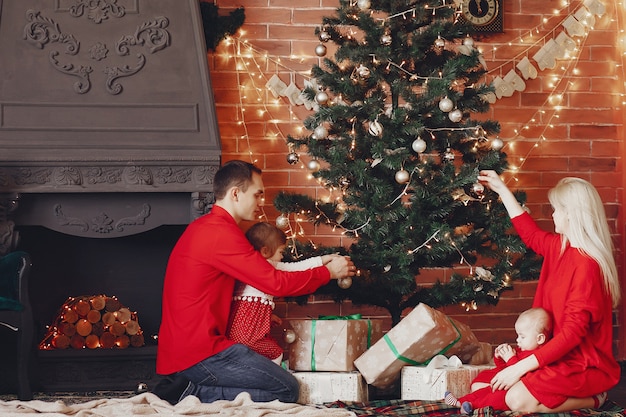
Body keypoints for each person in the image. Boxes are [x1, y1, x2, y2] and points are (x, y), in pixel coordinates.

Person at [155, 160, 355, 404]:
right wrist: (328, 273)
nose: (261, 203)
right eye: (258, 195)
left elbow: (224, 290)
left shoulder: (207, 228)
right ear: (236, 193)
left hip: (190, 349)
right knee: (287, 389)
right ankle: (189, 392)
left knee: (281, 384)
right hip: (201, 353)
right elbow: (275, 282)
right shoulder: (220, 233)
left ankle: (188, 386)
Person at [475, 170, 620, 412]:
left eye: (557, 209)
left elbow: (573, 335)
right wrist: (501, 189)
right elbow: (529, 234)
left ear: (572, 215)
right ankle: (536, 391)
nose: (552, 214)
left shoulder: (588, 266)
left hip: (582, 364)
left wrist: (520, 368)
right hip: (552, 355)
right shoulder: (559, 246)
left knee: (514, 399)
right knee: (481, 385)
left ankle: (596, 399)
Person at [227, 222, 342, 365]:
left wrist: (268, 316)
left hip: (234, 335)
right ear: (265, 251)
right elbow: (296, 268)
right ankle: (272, 378)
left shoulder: (245, 270)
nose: (282, 257)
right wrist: (323, 260)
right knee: (276, 352)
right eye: (281, 252)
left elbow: (247, 310)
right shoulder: (267, 265)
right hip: (250, 337)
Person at [444, 307, 552, 413]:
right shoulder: (523, 350)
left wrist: (510, 358)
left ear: (540, 339)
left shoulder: (537, 357)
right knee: (487, 390)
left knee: (495, 397)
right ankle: (460, 401)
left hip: (514, 393)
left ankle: (472, 406)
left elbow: (523, 377)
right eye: (518, 335)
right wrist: (499, 357)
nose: (517, 340)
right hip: (507, 386)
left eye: (522, 337)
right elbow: (504, 370)